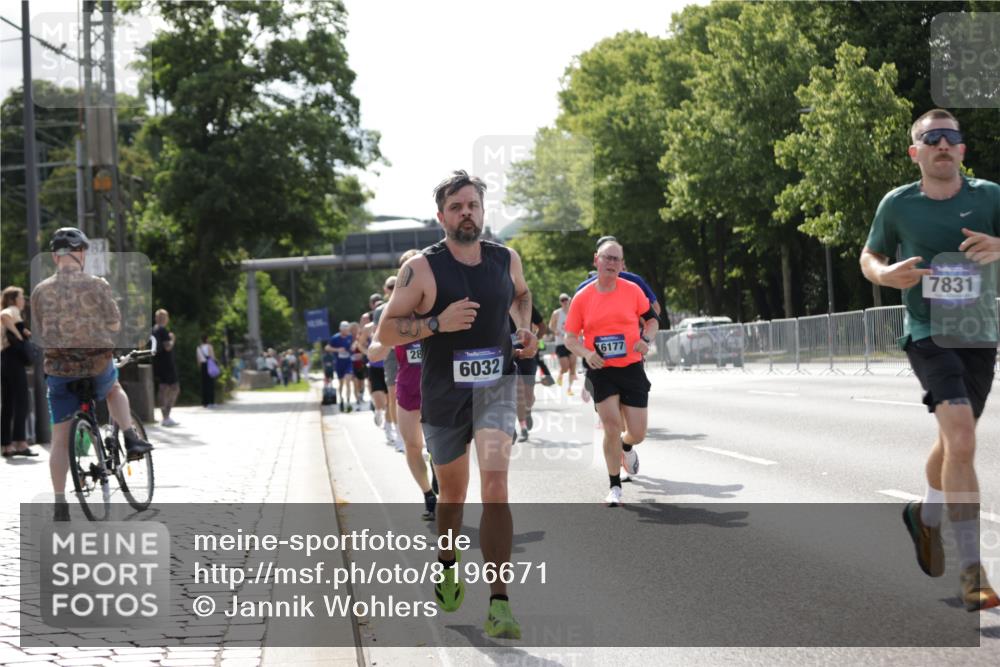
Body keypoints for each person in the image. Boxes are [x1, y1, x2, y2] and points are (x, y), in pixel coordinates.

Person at [375, 170, 536, 639]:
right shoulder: (422, 269)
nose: (466, 213)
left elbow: (522, 297)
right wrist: (437, 324)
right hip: (443, 395)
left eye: (473, 205)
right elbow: (387, 332)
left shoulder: (506, 259)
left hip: (495, 387)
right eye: (456, 207)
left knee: (497, 486)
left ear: (483, 211)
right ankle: (447, 562)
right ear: (441, 215)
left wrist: (522, 329)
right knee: (452, 495)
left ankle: (500, 604)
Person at [860, 108, 1000, 612]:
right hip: (928, 333)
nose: (942, 144)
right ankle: (971, 571)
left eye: (951, 137)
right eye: (931, 138)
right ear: (914, 152)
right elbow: (869, 255)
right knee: (962, 437)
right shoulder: (898, 205)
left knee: (954, 442)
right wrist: (884, 273)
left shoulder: (990, 196)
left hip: (980, 334)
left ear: (962, 149)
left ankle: (926, 514)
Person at [30, 228, 152, 519]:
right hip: (96, 367)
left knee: (59, 441)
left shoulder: (40, 290)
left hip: (59, 372)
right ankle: (130, 436)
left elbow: (39, 330)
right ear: (81, 252)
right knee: (113, 390)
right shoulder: (97, 285)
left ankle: (60, 503)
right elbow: (113, 325)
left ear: (55, 257)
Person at [563, 239, 659, 507]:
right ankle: (614, 485)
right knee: (611, 425)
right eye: (607, 258)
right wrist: (587, 354)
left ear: (622, 264)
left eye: (617, 259)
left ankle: (627, 447)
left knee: (637, 432)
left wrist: (646, 340)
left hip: (630, 366)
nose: (612, 264)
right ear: (596, 260)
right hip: (601, 370)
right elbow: (570, 338)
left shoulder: (632, 290)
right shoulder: (582, 298)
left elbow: (652, 320)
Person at [1, 286, 37, 457]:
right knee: (22, 401)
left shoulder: (12, 311)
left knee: (8, 404)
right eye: (21, 297)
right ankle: (20, 443)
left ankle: (7, 445)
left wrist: (20, 331)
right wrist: (19, 334)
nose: (24, 300)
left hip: (5, 359)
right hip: (14, 361)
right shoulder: (12, 310)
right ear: (13, 299)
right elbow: (4, 316)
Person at [513, 304, 547, 442]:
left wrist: (534, 341)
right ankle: (522, 428)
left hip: (528, 356)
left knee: (528, 396)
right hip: (510, 354)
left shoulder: (527, 307)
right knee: (517, 391)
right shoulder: (499, 301)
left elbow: (542, 327)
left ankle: (527, 411)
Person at [150, 309, 180, 426]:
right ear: (165, 319)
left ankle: (165, 416)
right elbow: (168, 347)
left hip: (158, 363)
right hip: (167, 364)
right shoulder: (162, 330)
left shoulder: (154, 329)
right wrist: (172, 339)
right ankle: (166, 416)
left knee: (163, 388)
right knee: (174, 388)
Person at [549, 293, 577, 395]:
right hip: (560, 343)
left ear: (569, 300)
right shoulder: (556, 313)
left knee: (573, 366)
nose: (564, 302)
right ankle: (561, 375)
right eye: (562, 300)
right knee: (565, 367)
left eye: (566, 299)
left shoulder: (574, 312)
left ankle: (569, 389)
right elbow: (551, 326)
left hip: (572, 342)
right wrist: (555, 331)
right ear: (560, 302)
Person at [326, 321, 354, 412]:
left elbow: (356, 343)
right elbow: (327, 348)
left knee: (348, 380)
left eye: (347, 329)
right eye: (344, 329)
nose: (346, 331)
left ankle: (348, 402)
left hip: (348, 362)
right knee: (341, 383)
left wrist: (354, 346)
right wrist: (337, 349)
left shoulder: (350, 337)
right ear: (340, 329)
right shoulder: (335, 338)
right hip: (339, 363)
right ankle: (341, 399)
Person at [196, 335, 217, 407]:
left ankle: (205, 402)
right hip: (209, 365)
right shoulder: (209, 346)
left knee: (204, 384)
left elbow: (198, 360)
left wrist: (200, 367)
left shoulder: (198, 348)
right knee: (210, 384)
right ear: (207, 339)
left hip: (203, 366)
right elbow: (212, 357)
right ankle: (211, 402)